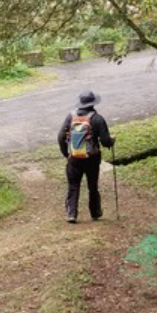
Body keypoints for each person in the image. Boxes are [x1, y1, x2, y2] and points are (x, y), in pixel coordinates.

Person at [57, 90, 114, 223]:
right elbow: (105, 141)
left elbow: (60, 137)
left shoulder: (70, 117)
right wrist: (112, 141)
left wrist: (67, 153)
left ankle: (72, 214)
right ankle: (95, 212)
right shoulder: (97, 118)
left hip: (74, 158)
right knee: (92, 185)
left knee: (73, 186)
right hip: (92, 158)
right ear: (93, 103)